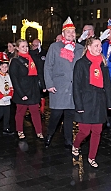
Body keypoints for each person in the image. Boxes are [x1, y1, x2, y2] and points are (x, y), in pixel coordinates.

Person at [72, 37, 111, 168]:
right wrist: (78, 105)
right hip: (85, 102)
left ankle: (92, 157)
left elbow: (107, 84)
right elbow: (76, 86)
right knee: (84, 131)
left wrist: (110, 103)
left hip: (99, 102)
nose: (99, 48)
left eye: (100, 46)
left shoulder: (103, 63)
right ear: (89, 47)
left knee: (97, 131)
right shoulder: (81, 63)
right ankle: (75, 145)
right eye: (96, 46)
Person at [44, 17, 84, 149]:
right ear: (63, 34)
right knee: (56, 114)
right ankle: (49, 135)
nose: (71, 34)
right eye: (68, 32)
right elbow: (48, 66)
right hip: (59, 87)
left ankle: (68, 139)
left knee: (69, 115)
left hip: (73, 88)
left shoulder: (80, 48)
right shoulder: (55, 47)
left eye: (73, 32)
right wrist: (49, 84)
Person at [9, 39, 46, 140]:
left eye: (26, 46)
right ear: (17, 48)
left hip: (33, 89)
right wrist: (21, 94)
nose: (25, 49)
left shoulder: (32, 58)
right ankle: (20, 131)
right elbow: (14, 79)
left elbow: (39, 73)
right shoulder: (15, 61)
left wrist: (43, 86)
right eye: (22, 47)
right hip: (22, 90)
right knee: (20, 112)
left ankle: (39, 132)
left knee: (35, 112)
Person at [30, 38, 48, 118]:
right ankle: (34, 112)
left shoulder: (44, 53)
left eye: (36, 45)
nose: (34, 47)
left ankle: (42, 110)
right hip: (33, 77)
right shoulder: (31, 53)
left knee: (42, 95)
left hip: (42, 77)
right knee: (35, 96)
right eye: (33, 45)